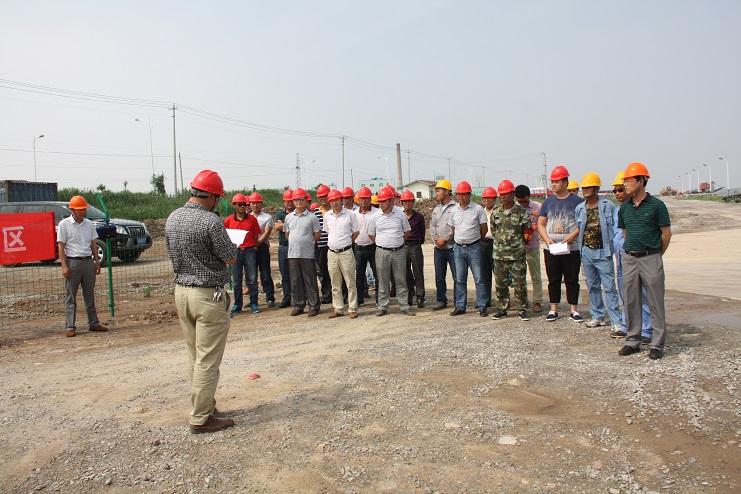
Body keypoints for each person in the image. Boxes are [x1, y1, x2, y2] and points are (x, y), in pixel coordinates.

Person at [165, 170, 237, 433]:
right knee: (207, 359)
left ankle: (206, 405)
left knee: (195, 356)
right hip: (207, 296)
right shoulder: (210, 222)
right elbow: (230, 256)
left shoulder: (173, 217)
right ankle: (201, 417)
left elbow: (171, 252)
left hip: (182, 293)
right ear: (213, 197)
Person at [617, 162, 671, 360]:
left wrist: (656, 254)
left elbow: (666, 234)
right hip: (630, 258)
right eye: (624, 181)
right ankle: (632, 340)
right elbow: (625, 233)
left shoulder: (657, 205)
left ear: (641, 181)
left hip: (651, 257)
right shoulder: (624, 208)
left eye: (629, 180)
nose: (625, 184)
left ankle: (657, 344)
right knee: (631, 300)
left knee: (655, 301)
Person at [538, 166, 585, 322]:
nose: (553, 184)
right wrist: (547, 239)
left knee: (572, 279)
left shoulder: (578, 202)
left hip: (571, 248)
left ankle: (574, 309)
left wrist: (572, 236)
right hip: (551, 248)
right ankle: (553, 309)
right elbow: (541, 224)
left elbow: (582, 223)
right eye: (552, 181)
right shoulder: (547, 202)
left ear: (565, 182)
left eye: (557, 181)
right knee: (553, 279)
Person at [574, 173, 621, 330]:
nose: (585, 190)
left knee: (609, 287)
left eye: (589, 188)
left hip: (603, 251)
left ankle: (615, 320)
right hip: (586, 251)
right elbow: (580, 229)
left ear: (596, 188)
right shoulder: (580, 208)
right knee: (592, 286)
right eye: (584, 188)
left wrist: (612, 249)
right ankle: (597, 317)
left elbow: (614, 228)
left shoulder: (608, 205)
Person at [609, 173, 652, 342]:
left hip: (637, 257)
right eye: (615, 191)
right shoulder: (619, 210)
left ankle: (647, 330)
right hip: (621, 258)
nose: (618, 193)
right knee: (626, 293)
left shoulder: (642, 208)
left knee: (643, 294)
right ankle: (627, 325)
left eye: (620, 189)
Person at [57, 195, 108, 337]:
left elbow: (93, 243)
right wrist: (64, 266)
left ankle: (93, 323)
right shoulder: (64, 225)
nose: (82, 212)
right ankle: (70, 326)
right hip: (72, 262)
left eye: (84, 209)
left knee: (89, 294)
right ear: (72, 210)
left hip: (88, 262)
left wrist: (96, 262)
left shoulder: (89, 224)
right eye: (79, 209)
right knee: (71, 296)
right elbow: (61, 246)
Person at [489, 180, 533, 321]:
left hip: (517, 255)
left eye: (505, 194)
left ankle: (522, 309)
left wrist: (517, 244)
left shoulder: (521, 212)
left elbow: (527, 232)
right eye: (501, 194)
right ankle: (502, 309)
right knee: (500, 284)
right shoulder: (495, 212)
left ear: (512, 194)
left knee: (520, 284)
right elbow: (494, 230)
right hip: (499, 255)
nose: (502, 197)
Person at [368, 188, 415, 316]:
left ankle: (404, 306)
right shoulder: (375, 217)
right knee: (383, 280)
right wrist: (382, 243)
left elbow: (407, 232)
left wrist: (397, 241)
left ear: (390, 200)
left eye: (383, 201)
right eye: (379, 201)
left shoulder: (400, 214)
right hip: (382, 252)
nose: (380, 203)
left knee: (401, 280)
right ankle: (382, 307)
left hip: (399, 252)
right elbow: (371, 234)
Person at [448, 181, 488, 317]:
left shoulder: (478, 209)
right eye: (458, 194)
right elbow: (453, 229)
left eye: (463, 194)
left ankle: (482, 305)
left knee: (479, 278)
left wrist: (475, 240)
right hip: (459, 249)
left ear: (469, 194)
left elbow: (484, 229)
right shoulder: (454, 211)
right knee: (460, 279)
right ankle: (460, 306)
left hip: (474, 248)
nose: (460, 197)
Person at [284, 188, 322, 317]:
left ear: (306, 201)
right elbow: (287, 234)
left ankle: (314, 306)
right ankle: (299, 305)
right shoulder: (289, 217)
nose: (299, 201)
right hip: (293, 254)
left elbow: (317, 234)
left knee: (310, 280)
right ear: (293, 201)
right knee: (295, 281)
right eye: (296, 199)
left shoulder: (312, 217)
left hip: (307, 254)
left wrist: (307, 243)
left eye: (301, 199)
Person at [324, 189, 360, 318]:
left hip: (346, 252)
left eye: (336, 200)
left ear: (341, 200)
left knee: (350, 282)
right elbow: (328, 232)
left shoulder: (350, 214)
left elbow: (356, 232)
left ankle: (352, 308)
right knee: (335, 283)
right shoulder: (327, 216)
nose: (334, 202)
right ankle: (338, 308)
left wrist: (346, 242)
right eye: (332, 200)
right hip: (332, 253)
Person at [223, 193, 260, 314]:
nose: (242, 207)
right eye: (240, 204)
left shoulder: (252, 219)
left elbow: (255, 236)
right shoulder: (228, 220)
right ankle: (237, 304)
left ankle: (254, 303)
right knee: (237, 280)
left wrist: (252, 246)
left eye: (244, 204)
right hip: (236, 252)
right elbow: (225, 237)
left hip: (249, 251)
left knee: (252, 279)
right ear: (235, 205)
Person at [514, 185, 543, 313]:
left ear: (529, 197)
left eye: (525, 201)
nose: (522, 204)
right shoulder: (514, 208)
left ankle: (537, 301)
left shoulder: (538, 207)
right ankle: (521, 301)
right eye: (520, 202)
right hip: (518, 248)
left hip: (532, 247)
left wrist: (541, 216)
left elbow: (546, 222)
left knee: (535, 276)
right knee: (519, 277)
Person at [429, 179, 457, 310]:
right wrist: (437, 241)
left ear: (446, 192)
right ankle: (441, 300)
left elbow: (456, 227)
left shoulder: (456, 208)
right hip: (438, 249)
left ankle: (458, 301)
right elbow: (432, 227)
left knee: (457, 276)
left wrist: (445, 240)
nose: (436, 193)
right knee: (439, 277)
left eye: (438, 191)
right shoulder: (436, 209)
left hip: (452, 248)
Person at [354, 186, 379, 307]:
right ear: (358, 200)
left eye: (366, 198)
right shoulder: (354, 214)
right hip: (359, 248)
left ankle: (379, 300)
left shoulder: (376, 213)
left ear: (370, 199)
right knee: (359, 275)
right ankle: (360, 300)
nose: (363, 201)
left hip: (373, 247)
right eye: (361, 198)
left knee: (377, 275)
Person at [249, 192, 275, 310]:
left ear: (261, 204)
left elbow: (267, 232)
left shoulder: (267, 217)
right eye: (253, 203)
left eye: (257, 203)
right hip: (250, 248)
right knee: (252, 275)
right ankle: (253, 300)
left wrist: (258, 243)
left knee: (265, 274)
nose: (255, 205)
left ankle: (270, 297)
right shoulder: (247, 217)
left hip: (262, 247)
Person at [400, 190, 426, 308]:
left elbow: (422, 234)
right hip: (404, 247)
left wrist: (417, 243)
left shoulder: (419, 217)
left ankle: (420, 297)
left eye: (409, 201)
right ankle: (409, 296)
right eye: (405, 201)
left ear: (413, 202)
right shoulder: (399, 217)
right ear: (402, 203)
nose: (407, 204)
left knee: (418, 272)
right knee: (405, 272)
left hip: (416, 246)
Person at [273, 189, 295, 308]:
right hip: (283, 247)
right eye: (287, 201)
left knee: (297, 274)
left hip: (295, 247)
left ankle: (299, 297)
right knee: (285, 275)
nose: (289, 203)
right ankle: (287, 298)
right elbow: (277, 227)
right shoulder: (279, 214)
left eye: (291, 200)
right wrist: (293, 225)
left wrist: (284, 225)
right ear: (284, 201)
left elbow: (282, 226)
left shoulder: (298, 212)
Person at [314, 184, 333, 304]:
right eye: (321, 196)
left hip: (333, 246)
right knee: (324, 272)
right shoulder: (315, 212)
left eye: (325, 196)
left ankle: (342, 295)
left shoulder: (335, 210)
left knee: (337, 271)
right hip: (321, 246)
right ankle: (327, 295)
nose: (323, 198)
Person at [480, 186, 498, 309]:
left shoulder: (498, 212)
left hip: (495, 244)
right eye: (485, 198)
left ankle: (502, 300)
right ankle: (486, 300)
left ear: (494, 199)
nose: (486, 200)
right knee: (484, 273)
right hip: (482, 243)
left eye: (489, 198)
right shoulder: (481, 211)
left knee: (498, 273)